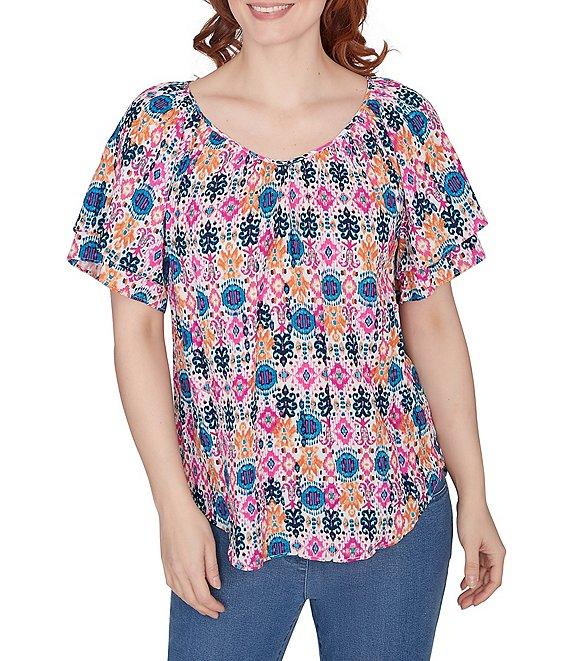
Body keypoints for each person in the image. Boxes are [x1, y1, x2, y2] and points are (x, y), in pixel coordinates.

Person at [66, 1, 506, 659]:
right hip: (225, 519)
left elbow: (434, 321)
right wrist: (172, 507)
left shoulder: (400, 124)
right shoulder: (159, 129)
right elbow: (135, 333)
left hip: (392, 511)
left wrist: (474, 493)